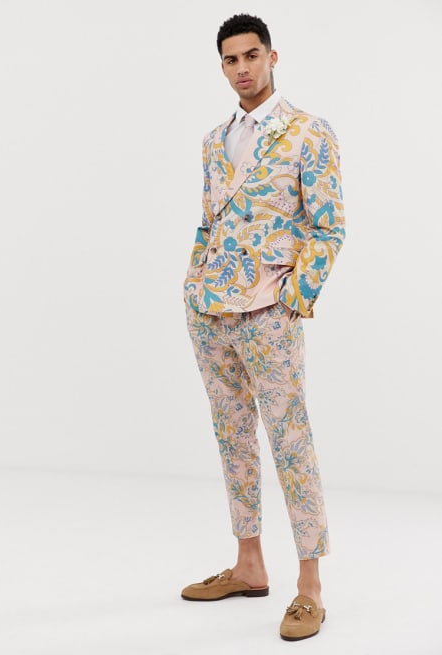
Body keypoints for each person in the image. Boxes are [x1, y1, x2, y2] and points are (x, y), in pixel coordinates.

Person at [181, 13, 345, 641]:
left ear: (273, 57)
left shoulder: (308, 132)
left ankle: (310, 587)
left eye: (251, 55)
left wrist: (293, 300)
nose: (242, 68)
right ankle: (249, 565)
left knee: (290, 443)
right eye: (231, 60)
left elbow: (328, 227)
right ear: (222, 67)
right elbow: (209, 221)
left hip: (268, 314)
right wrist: (193, 284)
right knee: (233, 438)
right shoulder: (213, 140)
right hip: (210, 312)